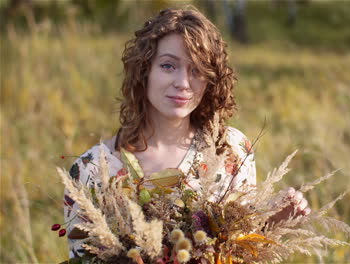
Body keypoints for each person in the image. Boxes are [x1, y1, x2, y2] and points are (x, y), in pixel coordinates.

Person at [63, 7, 309, 259]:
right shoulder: (92, 171)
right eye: (169, 66)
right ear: (144, 70)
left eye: (197, 70)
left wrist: (272, 219)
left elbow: (241, 250)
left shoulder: (232, 151)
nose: (183, 82)